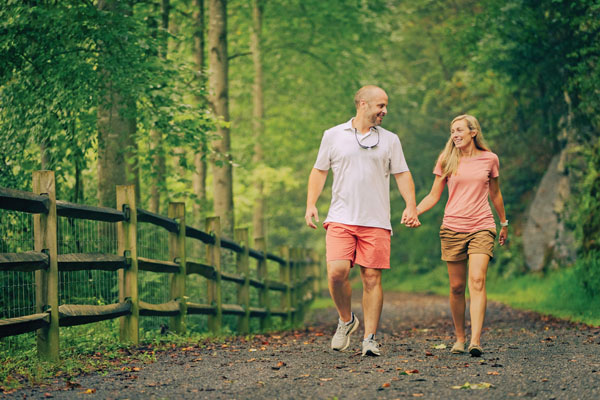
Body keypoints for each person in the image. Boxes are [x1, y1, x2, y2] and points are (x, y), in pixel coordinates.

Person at [305, 85, 420, 357]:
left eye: (385, 106)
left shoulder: (390, 140)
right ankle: (346, 320)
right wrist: (310, 203)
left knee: (371, 278)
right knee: (336, 273)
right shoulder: (333, 135)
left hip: (376, 219)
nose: (385, 111)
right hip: (341, 217)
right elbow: (319, 171)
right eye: (380, 105)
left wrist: (411, 206)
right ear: (362, 104)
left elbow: (402, 174)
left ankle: (369, 338)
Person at [416, 114, 508, 357]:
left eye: (459, 130)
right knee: (457, 287)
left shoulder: (490, 159)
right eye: (452, 131)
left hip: (482, 225)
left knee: (477, 280)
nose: (455, 134)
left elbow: (495, 194)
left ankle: (475, 340)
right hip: (453, 227)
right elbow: (434, 195)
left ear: (473, 132)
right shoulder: (447, 159)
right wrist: (414, 211)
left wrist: (504, 222)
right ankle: (459, 337)